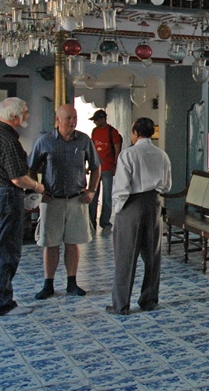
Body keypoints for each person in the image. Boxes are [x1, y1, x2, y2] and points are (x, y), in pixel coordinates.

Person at [0, 97, 45, 316]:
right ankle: (3, 303)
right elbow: (17, 178)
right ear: (14, 117)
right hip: (4, 196)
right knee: (6, 250)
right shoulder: (8, 140)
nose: (27, 115)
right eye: (25, 111)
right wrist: (37, 186)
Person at [29, 104, 101, 300]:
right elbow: (31, 167)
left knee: (73, 243)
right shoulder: (44, 141)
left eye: (75, 117)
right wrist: (37, 189)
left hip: (76, 200)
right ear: (58, 120)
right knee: (50, 243)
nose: (73, 121)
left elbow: (96, 167)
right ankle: (48, 284)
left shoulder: (84, 140)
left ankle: (72, 282)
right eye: (68, 118)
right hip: (52, 200)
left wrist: (92, 190)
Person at [107, 117, 172, 315]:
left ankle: (121, 304)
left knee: (126, 255)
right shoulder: (162, 155)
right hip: (154, 203)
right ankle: (149, 300)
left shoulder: (129, 154)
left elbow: (121, 187)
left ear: (135, 132)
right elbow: (167, 185)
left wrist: (117, 212)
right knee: (152, 254)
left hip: (131, 205)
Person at [88, 109, 123, 233]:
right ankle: (91, 223)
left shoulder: (112, 132)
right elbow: (92, 148)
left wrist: (115, 164)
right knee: (92, 195)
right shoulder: (95, 131)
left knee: (107, 197)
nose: (95, 123)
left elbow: (117, 148)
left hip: (107, 168)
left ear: (103, 118)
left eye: (97, 120)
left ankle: (105, 223)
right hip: (95, 168)